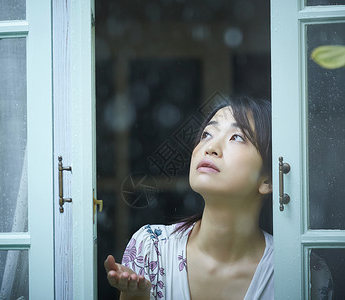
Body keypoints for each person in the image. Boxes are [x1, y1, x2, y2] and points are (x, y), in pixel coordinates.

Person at [104, 96, 274, 300]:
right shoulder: (152, 249)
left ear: (268, 180)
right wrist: (136, 297)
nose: (210, 147)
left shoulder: (298, 269)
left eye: (237, 137)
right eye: (207, 134)